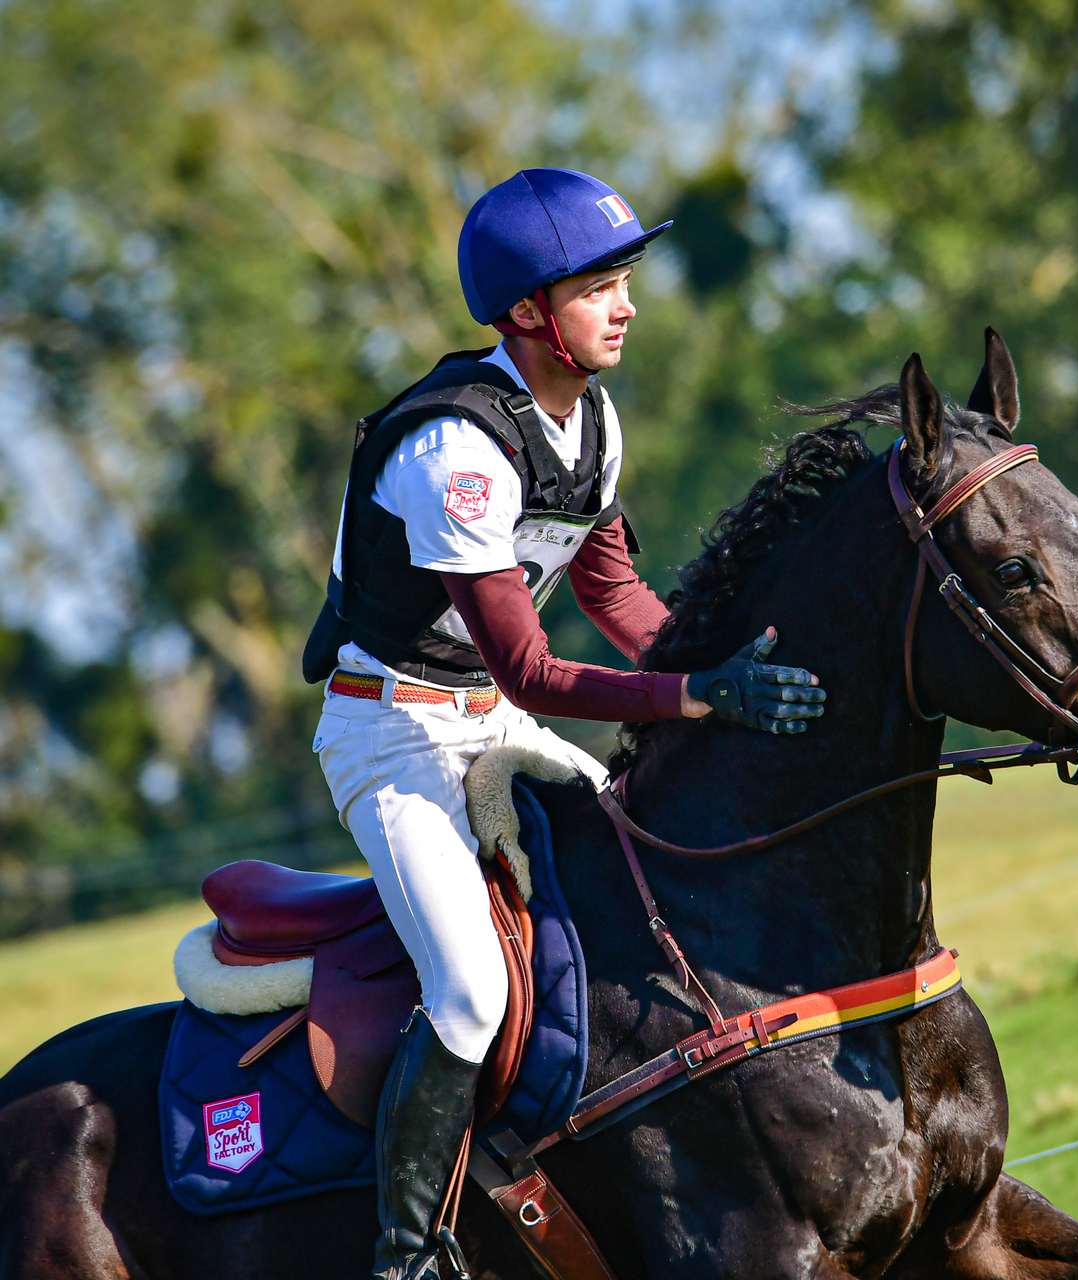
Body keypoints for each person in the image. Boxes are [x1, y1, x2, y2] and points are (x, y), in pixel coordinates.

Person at [303, 168, 826, 1280]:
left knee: (643, 869)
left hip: (483, 718)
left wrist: (734, 667)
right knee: (469, 988)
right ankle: (404, 1254)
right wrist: (692, 697)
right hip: (388, 735)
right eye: (600, 287)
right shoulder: (454, 451)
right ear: (531, 314)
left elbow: (616, 600)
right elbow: (533, 666)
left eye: (625, 280)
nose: (627, 305)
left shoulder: (592, 420)